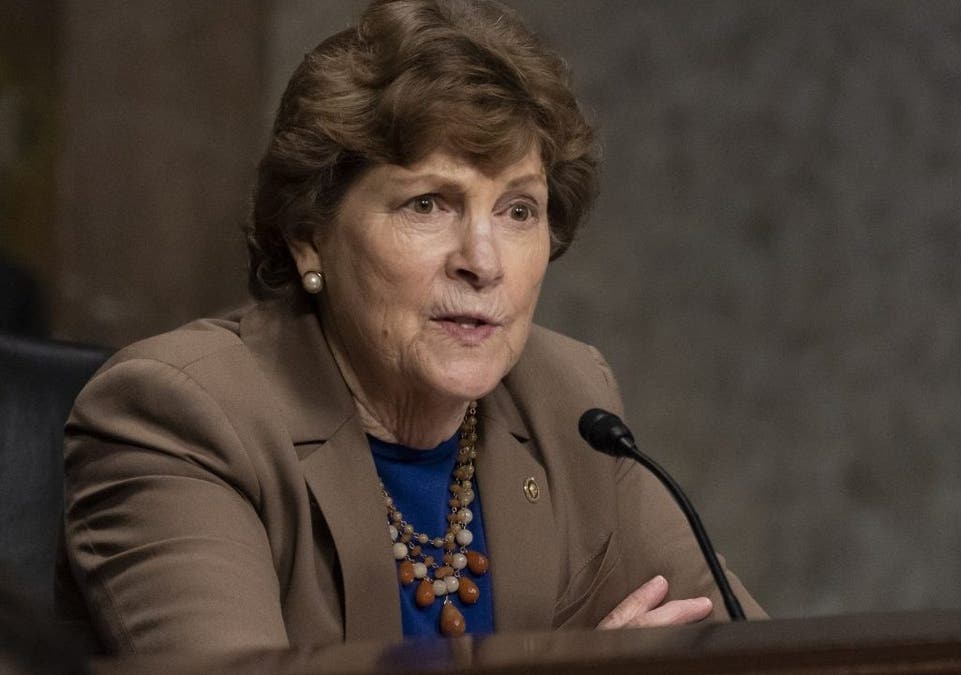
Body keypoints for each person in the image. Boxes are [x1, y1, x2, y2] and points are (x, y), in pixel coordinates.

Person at [57, 0, 763, 654]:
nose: (482, 262)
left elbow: (767, 660)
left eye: (518, 210)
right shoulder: (182, 419)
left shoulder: (568, 400)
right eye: (428, 204)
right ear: (309, 235)